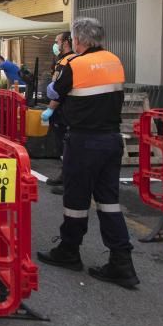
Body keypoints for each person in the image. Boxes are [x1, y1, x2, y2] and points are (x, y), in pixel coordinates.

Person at [37, 17, 139, 289]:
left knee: (76, 200)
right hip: (112, 140)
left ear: (78, 40)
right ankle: (122, 261)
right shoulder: (115, 60)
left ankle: (69, 250)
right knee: (109, 202)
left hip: (84, 140)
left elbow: (53, 91)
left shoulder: (75, 64)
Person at [41, 31, 75, 191]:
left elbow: (61, 90)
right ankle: (64, 176)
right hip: (60, 109)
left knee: (67, 146)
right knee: (61, 147)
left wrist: (50, 109)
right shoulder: (61, 60)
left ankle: (69, 181)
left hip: (64, 110)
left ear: (66, 42)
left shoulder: (70, 61)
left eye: (57, 41)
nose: (55, 45)